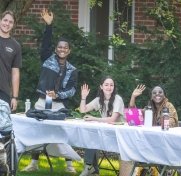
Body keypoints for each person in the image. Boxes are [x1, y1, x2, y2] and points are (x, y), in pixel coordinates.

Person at [22, 9, 78, 173]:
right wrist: (49, 25)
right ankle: (34, 163)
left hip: (59, 104)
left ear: (69, 51)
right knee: (37, 130)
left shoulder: (72, 70)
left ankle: (69, 165)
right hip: (43, 101)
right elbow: (45, 43)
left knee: (62, 132)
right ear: (56, 49)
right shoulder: (47, 58)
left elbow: (72, 90)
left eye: (65, 47)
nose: (62, 49)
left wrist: (58, 94)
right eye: (59, 47)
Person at [122, 84, 178, 176]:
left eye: (160, 92)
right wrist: (133, 97)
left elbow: (172, 121)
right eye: (154, 93)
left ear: (164, 95)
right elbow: (134, 116)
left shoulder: (168, 105)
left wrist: (163, 121)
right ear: (151, 96)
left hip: (166, 144)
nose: (157, 94)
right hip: (151, 143)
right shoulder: (149, 107)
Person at [79, 76, 124, 176]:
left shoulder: (118, 99)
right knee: (90, 135)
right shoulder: (99, 99)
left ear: (114, 87)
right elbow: (83, 110)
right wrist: (83, 97)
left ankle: (90, 168)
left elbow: (112, 119)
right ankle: (89, 167)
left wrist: (94, 119)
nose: (109, 87)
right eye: (106, 85)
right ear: (101, 86)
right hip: (106, 133)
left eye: (111, 85)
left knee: (93, 136)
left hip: (118, 135)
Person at [0, 10, 21, 111]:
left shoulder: (15, 46)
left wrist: (14, 97)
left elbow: (15, 72)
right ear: (0, 21)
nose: (7, 24)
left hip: (3, 91)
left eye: (10, 22)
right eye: (5, 20)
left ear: (13, 25)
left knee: (3, 125)